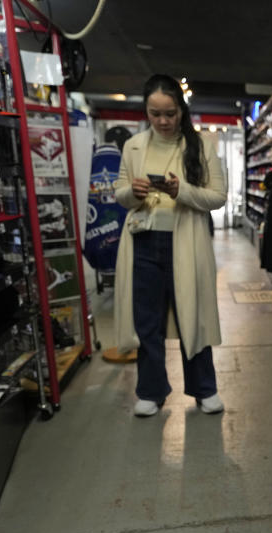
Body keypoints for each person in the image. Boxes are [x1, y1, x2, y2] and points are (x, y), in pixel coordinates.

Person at [113, 74, 226, 417]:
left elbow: (218, 197)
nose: (163, 121)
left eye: (170, 113)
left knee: (195, 315)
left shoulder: (202, 145)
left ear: (182, 110)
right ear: (146, 112)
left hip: (186, 242)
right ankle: (150, 390)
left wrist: (182, 192)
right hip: (144, 243)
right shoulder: (133, 147)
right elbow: (119, 193)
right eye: (155, 113)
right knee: (148, 322)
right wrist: (134, 192)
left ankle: (204, 388)